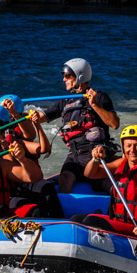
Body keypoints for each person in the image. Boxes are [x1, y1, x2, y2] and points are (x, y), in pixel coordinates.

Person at [72, 125, 137, 243]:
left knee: (92, 221)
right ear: (123, 148)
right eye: (128, 146)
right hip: (121, 225)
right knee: (76, 220)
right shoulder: (122, 163)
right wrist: (95, 160)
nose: (133, 150)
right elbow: (90, 174)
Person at [42, 58, 120, 193]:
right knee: (65, 178)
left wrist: (94, 104)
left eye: (67, 76)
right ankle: (61, 212)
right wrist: (15, 112)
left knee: (108, 185)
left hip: (97, 153)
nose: (64, 80)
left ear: (80, 76)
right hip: (74, 155)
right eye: (64, 76)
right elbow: (38, 118)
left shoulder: (99, 97)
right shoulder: (64, 103)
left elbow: (114, 124)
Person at [0, 104, 64, 218]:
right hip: (6, 191)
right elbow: (10, 164)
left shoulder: (15, 140)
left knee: (46, 189)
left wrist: (37, 125)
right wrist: (1, 142)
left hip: (23, 182)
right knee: (35, 208)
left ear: (3, 124)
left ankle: (59, 220)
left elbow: (44, 148)